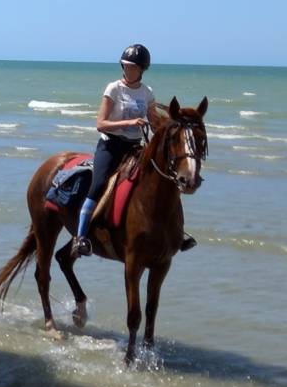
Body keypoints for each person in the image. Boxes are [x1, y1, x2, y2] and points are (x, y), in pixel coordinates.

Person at [71, 43, 195, 257]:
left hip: (135, 147)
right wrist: (129, 123)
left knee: (164, 180)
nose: (128, 70)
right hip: (110, 145)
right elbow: (100, 123)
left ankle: (177, 231)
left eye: (133, 67)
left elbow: (154, 121)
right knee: (99, 183)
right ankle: (81, 237)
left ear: (142, 70)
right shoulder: (113, 89)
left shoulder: (147, 93)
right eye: (126, 66)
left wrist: (172, 129)